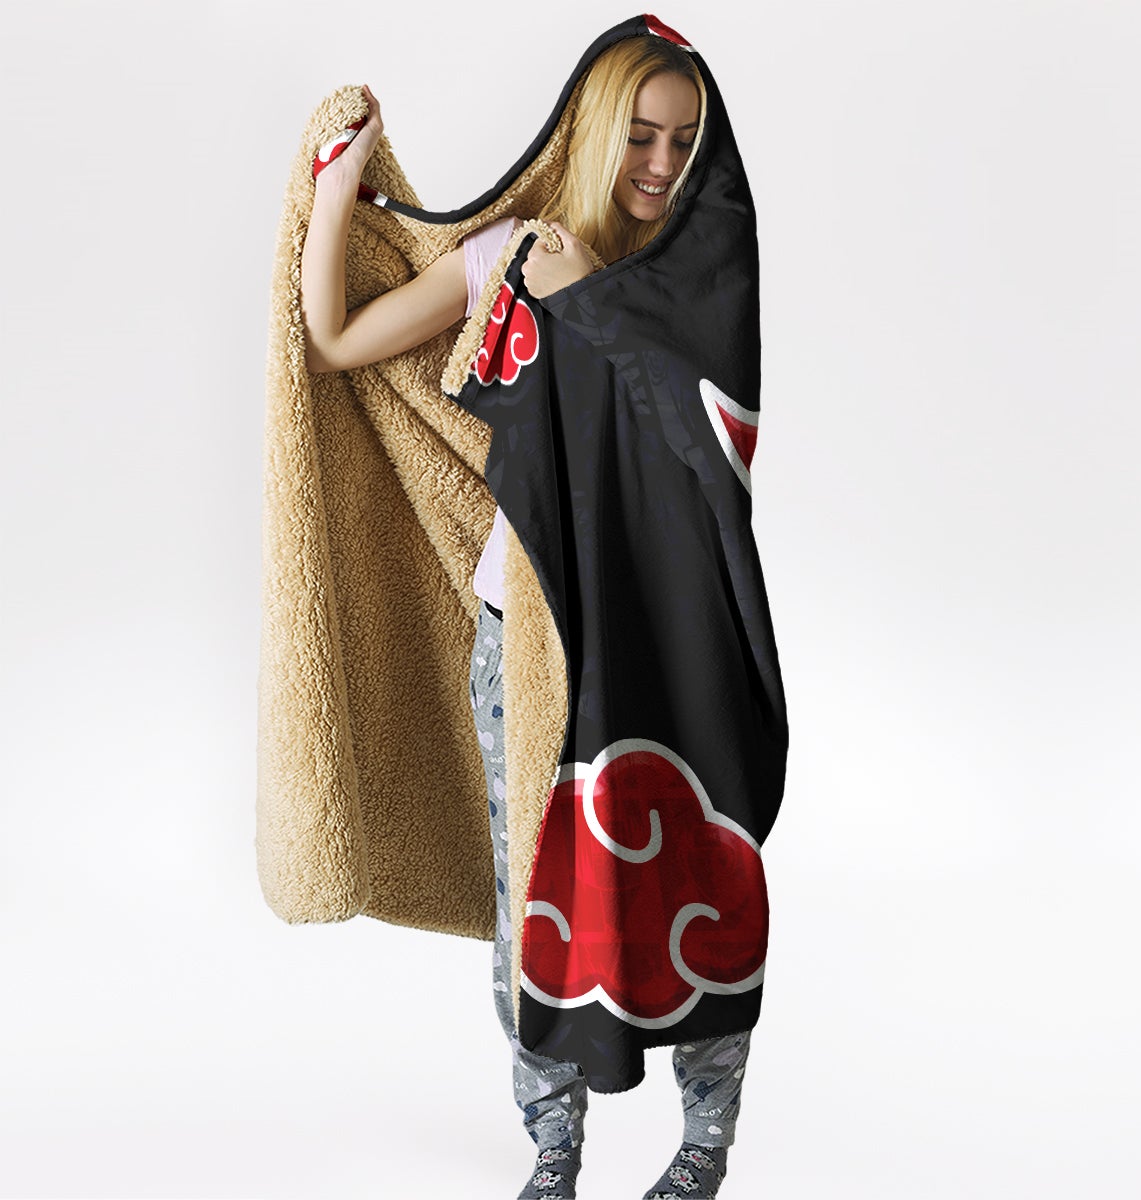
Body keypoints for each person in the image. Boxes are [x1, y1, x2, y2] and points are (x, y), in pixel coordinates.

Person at [298, 36, 751, 1200]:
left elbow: (699, 453)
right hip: (526, 630)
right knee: (533, 892)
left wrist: (589, 302)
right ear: (593, 132)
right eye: (640, 135)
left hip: (667, 632)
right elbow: (337, 343)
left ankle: (706, 1141)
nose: (661, 163)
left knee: (692, 868)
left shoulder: (703, 278)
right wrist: (339, 185)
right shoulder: (508, 256)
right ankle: (552, 1139)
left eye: (683, 140)